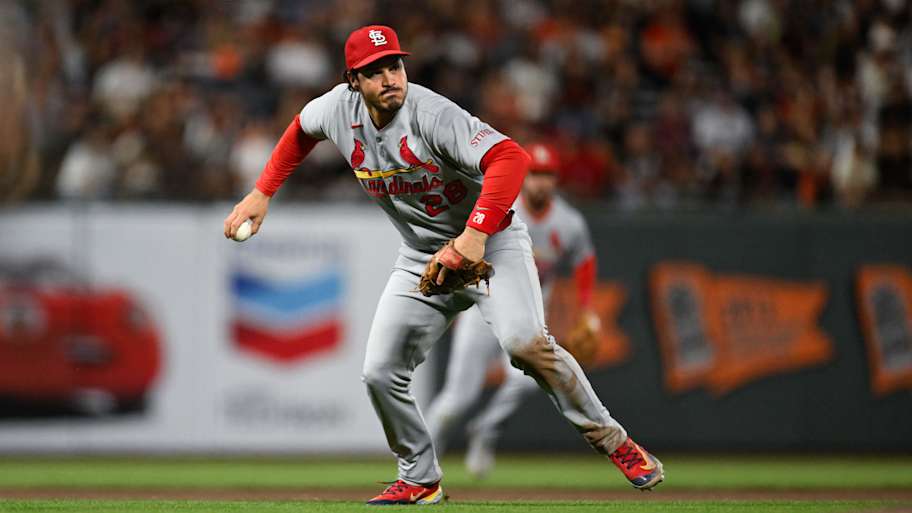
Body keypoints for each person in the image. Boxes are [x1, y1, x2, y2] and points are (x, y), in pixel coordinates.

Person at [223, 25, 664, 505]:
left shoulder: (431, 113)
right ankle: (419, 476)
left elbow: (510, 159)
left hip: (492, 243)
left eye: (395, 65)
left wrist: (473, 237)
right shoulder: (335, 110)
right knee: (380, 371)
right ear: (353, 80)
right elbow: (299, 131)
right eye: (375, 72)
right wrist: (262, 192)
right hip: (420, 256)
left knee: (525, 344)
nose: (390, 77)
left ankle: (616, 442)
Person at [425, 143, 603, 479]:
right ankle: (421, 461)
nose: (541, 183)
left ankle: (486, 430)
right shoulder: (501, 207)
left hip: (526, 313)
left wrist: (586, 310)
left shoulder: (569, 223)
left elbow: (585, 261)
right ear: (524, 176)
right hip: (482, 308)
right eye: (535, 174)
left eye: (548, 175)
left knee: (527, 381)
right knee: (457, 399)